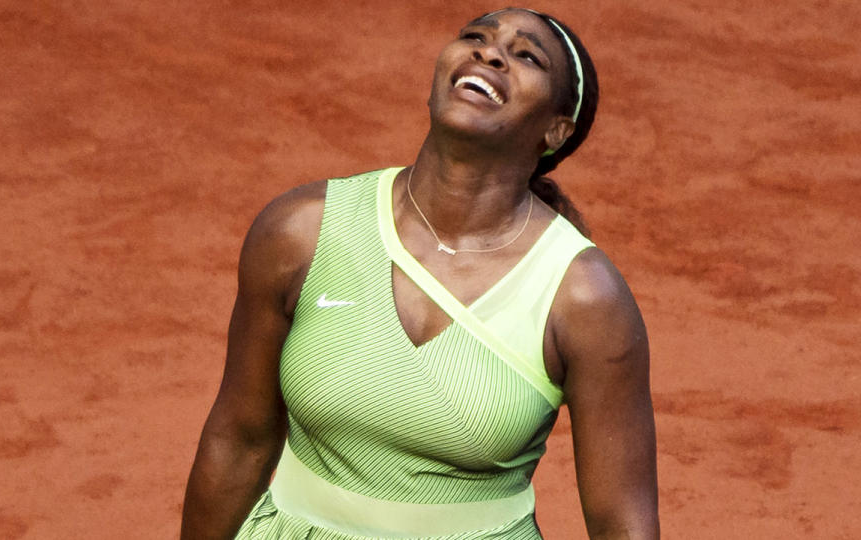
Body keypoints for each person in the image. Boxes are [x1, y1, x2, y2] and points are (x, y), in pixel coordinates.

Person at [181, 7, 658, 540]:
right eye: (475, 37)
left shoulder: (583, 296)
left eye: (526, 56)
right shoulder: (303, 230)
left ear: (556, 129)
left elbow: (623, 524)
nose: (489, 52)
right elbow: (238, 440)